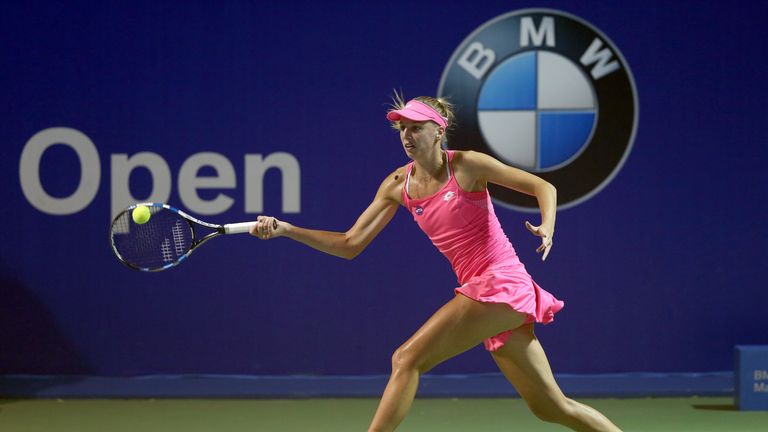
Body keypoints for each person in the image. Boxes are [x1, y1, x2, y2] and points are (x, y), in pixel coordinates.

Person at [251, 95, 622, 432]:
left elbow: (545, 188)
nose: (407, 135)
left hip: (501, 284)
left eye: (416, 127)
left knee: (406, 359)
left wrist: (547, 226)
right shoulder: (397, 185)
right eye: (402, 128)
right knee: (553, 407)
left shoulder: (467, 165)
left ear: (438, 130)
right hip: (490, 296)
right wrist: (287, 229)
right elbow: (350, 244)